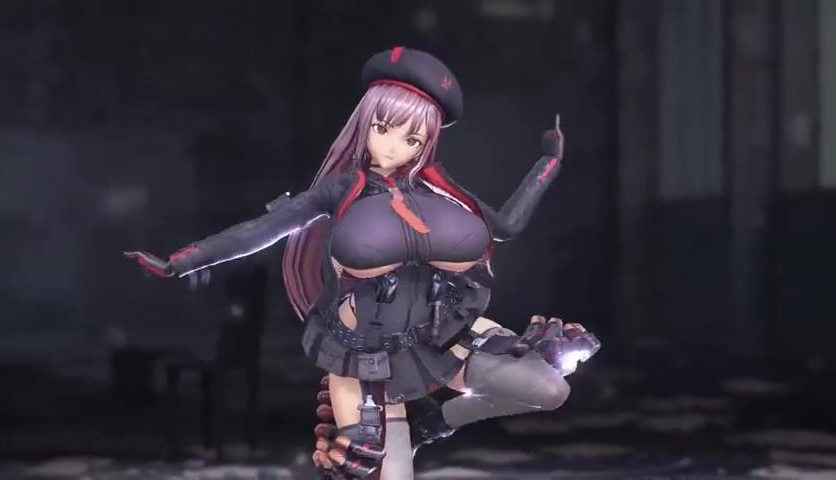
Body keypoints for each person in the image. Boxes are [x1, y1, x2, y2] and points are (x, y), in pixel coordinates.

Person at [125, 46, 600, 480]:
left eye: (411, 138)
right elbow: (260, 231)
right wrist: (180, 263)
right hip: (368, 359)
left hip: (442, 337)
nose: (392, 147)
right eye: (383, 128)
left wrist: (547, 165)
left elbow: (504, 226)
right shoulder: (339, 190)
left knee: (550, 390)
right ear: (366, 122)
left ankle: (432, 423)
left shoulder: (437, 187)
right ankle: (402, 431)